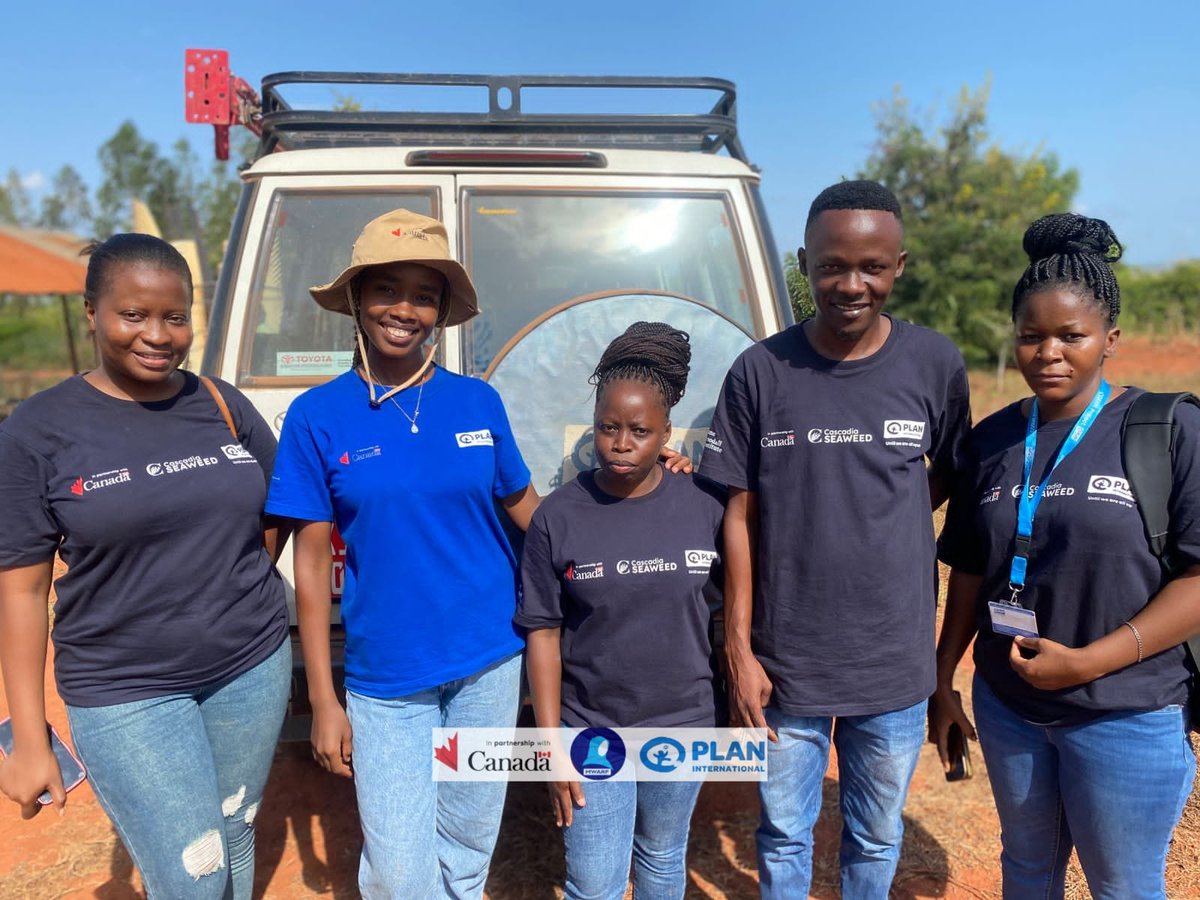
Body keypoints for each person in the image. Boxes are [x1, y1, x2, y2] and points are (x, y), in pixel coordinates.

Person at [698, 180, 971, 898]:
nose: (851, 285)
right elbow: (738, 514)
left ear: (899, 265)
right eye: (832, 266)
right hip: (788, 663)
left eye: (872, 267)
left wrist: (886, 513)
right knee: (785, 833)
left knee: (875, 834)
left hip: (893, 658)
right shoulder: (761, 371)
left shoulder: (933, 365)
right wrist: (739, 647)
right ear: (805, 262)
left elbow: (948, 475)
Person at [0, 234, 291, 899]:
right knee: (194, 875)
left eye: (175, 315)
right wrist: (27, 739)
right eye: (134, 314)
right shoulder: (35, 433)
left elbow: (277, 507)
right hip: (124, 686)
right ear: (92, 313)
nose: (158, 335)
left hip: (249, 665)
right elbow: (21, 591)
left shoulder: (222, 405)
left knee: (234, 831)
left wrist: (232, 579)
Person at [931, 213, 1199, 898]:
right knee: (1026, 869)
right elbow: (968, 568)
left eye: (1070, 336)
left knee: (1123, 884)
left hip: (1126, 711)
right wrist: (943, 680)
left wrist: (1088, 662)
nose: (1048, 351)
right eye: (1031, 335)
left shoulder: (1167, 430)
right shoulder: (990, 440)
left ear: (1109, 339)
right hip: (1009, 705)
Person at [518, 322, 724, 900]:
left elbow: (742, 600)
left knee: (661, 862)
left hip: (683, 722)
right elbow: (542, 631)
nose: (621, 442)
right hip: (592, 728)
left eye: (640, 430)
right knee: (593, 882)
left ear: (666, 433)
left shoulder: (704, 505)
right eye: (608, 427)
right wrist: (550, 743)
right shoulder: (559, 515)